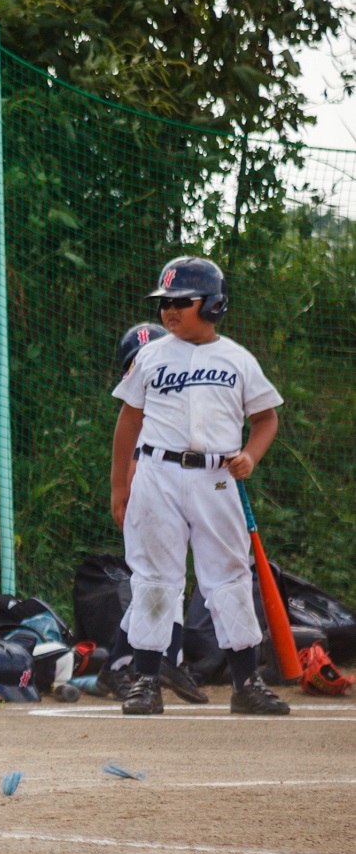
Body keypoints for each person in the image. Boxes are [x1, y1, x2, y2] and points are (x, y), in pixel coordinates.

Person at [109, 256, 288, 715]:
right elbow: (128, 421)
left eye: (181, 302)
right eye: (164, 302)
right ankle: (146, 681)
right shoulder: (150, 356)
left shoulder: (237, 359)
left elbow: (266, 419)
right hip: (157, 475)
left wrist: (250, 454)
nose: (169, 311)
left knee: (228, 577)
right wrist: (119, 488)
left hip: (217, 478)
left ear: (212, 305)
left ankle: (245, 683)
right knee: (153, 577)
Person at [95, 323, 207, 705]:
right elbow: (133, 460)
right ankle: (122, 664)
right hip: (145, 505)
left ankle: (163, 658)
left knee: (167, 584)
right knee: (156, 584)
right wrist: (123, 495)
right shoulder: (142, 413)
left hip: (169, 504)